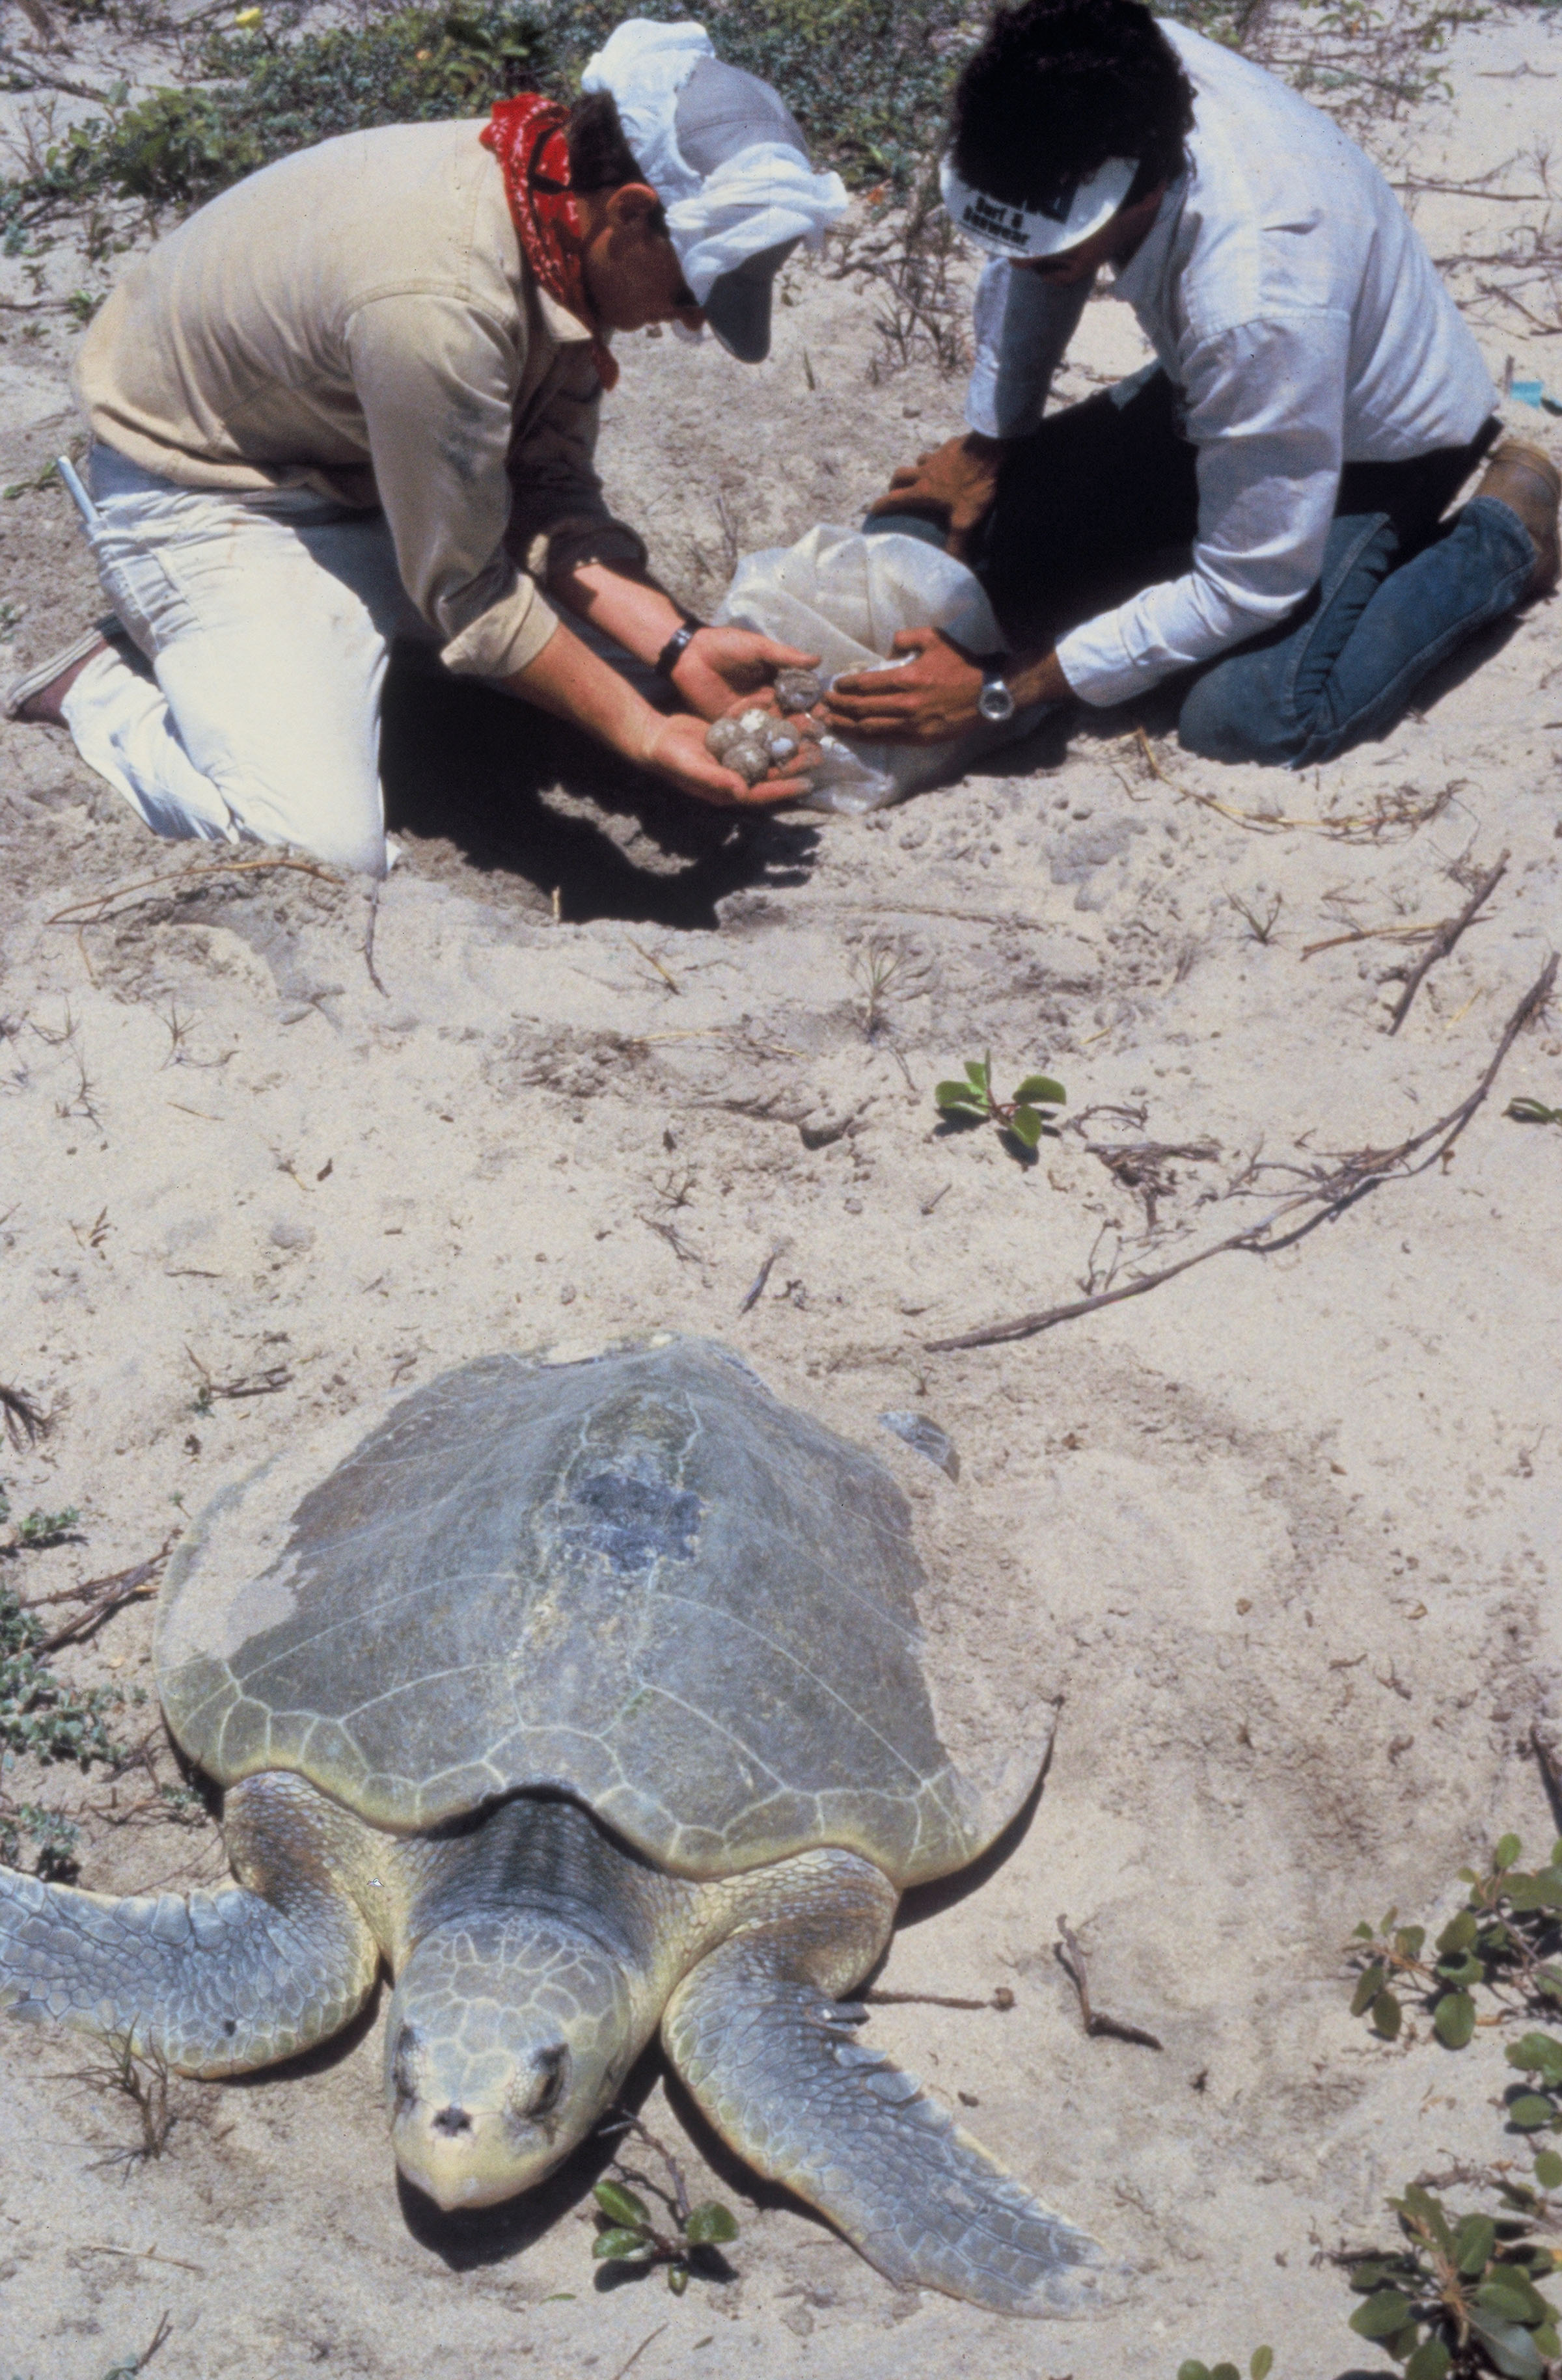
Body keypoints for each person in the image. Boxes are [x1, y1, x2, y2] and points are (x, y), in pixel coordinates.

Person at [5, 19, 847, 871]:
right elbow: (470, 592)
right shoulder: (439, 303)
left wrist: (679, 644)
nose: (695, 317)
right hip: (210, 487)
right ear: (632, 215)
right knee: (322, 848)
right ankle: (106, 685)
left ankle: (352, 635)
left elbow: (544, 485)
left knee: (661, 680)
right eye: (691, 288)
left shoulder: (551, 203)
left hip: (374, 471)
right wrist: (642, 733)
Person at [825, 0, 1560, 769]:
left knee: (1248, 717)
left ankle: (1502, 538)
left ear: (1144, 192)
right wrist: (990, 444)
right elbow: (1037, 256)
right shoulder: (1102, 69)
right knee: (912, 539)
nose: (1024, 271)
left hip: (1379, 438)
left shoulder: (1254, 303)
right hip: (1228, 384)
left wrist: (1003, 690)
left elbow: (1250, 585)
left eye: (1052, 258)